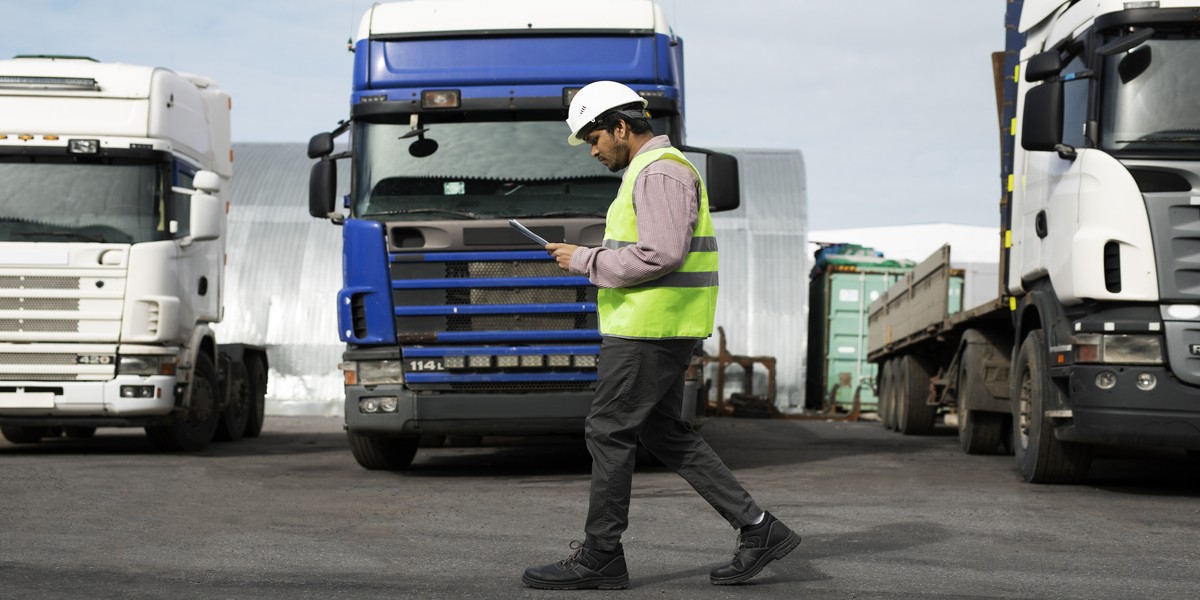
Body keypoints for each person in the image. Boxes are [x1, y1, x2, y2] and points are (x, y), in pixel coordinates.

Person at [521, 81, 801, 590]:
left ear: (621, 127)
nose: (592, 149)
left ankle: (601, 555)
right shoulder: (654, 171)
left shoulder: (660, 172)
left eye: (594, 137)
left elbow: (661, 254)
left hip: (649, 330)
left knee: (607, 430)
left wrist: (583, 259)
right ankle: (759, 529)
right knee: (662, 432)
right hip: (657, 325)